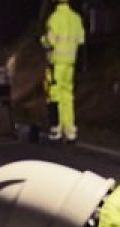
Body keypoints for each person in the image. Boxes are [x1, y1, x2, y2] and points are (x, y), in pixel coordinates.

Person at [42, 0, 85, 143]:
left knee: (55, 94)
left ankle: (56, 129)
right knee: (67, 95)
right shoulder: (76, 18)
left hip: (57, 62)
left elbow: (50, 41)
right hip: (71, 63)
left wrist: (43, 40)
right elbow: (80, 39)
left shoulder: (54, 18)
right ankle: (70, 130)